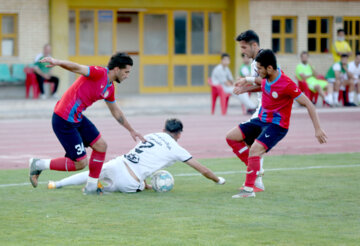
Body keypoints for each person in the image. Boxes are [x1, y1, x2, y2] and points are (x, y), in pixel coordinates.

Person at [29, 52, 145, 195]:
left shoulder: (110, 89)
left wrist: (132, 130)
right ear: (116, 69)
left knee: (101, 146)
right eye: (126, 72)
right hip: (63, 119)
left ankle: (91, 187)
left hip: (77, 118)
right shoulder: (99, 73)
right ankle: (38, 164)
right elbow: (77, 67)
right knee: (80, 163)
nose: (127, 75)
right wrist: (57, 62)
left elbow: (116, 112)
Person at [231, 49, 327, 199]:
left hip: (277, 125)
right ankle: (255, 168)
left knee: (255, 150)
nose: (257, 71)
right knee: (231, 137)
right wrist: (245, 83)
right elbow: (261, 83)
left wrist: (318, 129)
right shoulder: (268, 77)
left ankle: (248, 190)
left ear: (269, 68)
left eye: (259, 69)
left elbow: (309, 104)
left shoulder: (287, 84)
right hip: (262, 120)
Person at [46, 119, 226, 192]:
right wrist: (218, 180)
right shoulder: (177, 149)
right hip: (130, 180)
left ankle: (57, 184)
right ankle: (101, 189)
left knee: (93, 173)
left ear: (164, 129)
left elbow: (144, 157)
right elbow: (201, 169)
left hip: (118, 163)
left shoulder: (153, 134)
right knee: (117, 189)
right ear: (179, 134)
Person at [225, 30, 265, 192]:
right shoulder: (259, 60)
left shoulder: (260, 61)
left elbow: (270, 82)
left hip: (264, 111)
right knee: (253, 145)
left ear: (253, 45)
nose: (242, 51)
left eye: (244, 47)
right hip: (263, 109)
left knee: (232, 137)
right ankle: (257, 182)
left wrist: (246, 83)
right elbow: (265, 84)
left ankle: (255, 174)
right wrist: (245, 88)